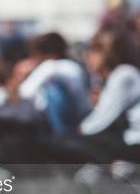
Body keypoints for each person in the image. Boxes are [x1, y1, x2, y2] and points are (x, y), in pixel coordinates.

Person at [46, 30, 140, 164]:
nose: (87, 56)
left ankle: (112, 166)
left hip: (134, 143)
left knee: (63, 141)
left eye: (93, 51)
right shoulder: (108, 78)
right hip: (125, 139)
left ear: (107, 54)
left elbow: (101, 119)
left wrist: (78, 131)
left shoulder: (124, 74)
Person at [17, 32, 91, 135]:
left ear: (51, 55)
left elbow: (25, 92)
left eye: (35, 55)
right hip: (81, 118)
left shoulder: (51, 66)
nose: (33, 60)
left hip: (68, 125)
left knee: (52, 91)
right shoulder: (73, 67)